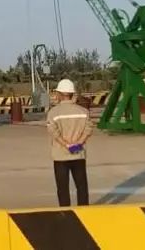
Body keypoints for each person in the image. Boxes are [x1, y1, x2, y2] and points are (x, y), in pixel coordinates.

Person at [46, 78, 93, 207]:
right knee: (82, 187)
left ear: (60, 94)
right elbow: (89, 129)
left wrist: (66, 144)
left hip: (61, 156)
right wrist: (78, 143)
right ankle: (84, 212)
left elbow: (53, 132)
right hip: (78, 154)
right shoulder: (83, 112)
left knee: (63, 189)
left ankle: (65, 213)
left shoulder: (53, 113)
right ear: (72, 94)